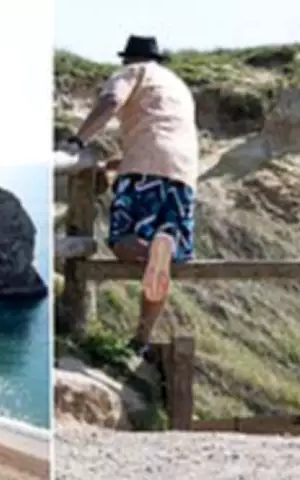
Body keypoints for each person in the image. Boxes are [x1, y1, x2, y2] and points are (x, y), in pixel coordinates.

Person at [61, 35, 199, 359]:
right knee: (163, 261)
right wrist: (120, 163)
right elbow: (164, 136)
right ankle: (141, 338)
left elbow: (111, 101)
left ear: (127, 58)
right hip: (183, 176)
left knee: (122, 240)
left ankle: (152, 252)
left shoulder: (132, 72)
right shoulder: (177, 85)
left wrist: (78, 141)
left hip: (142, 173)